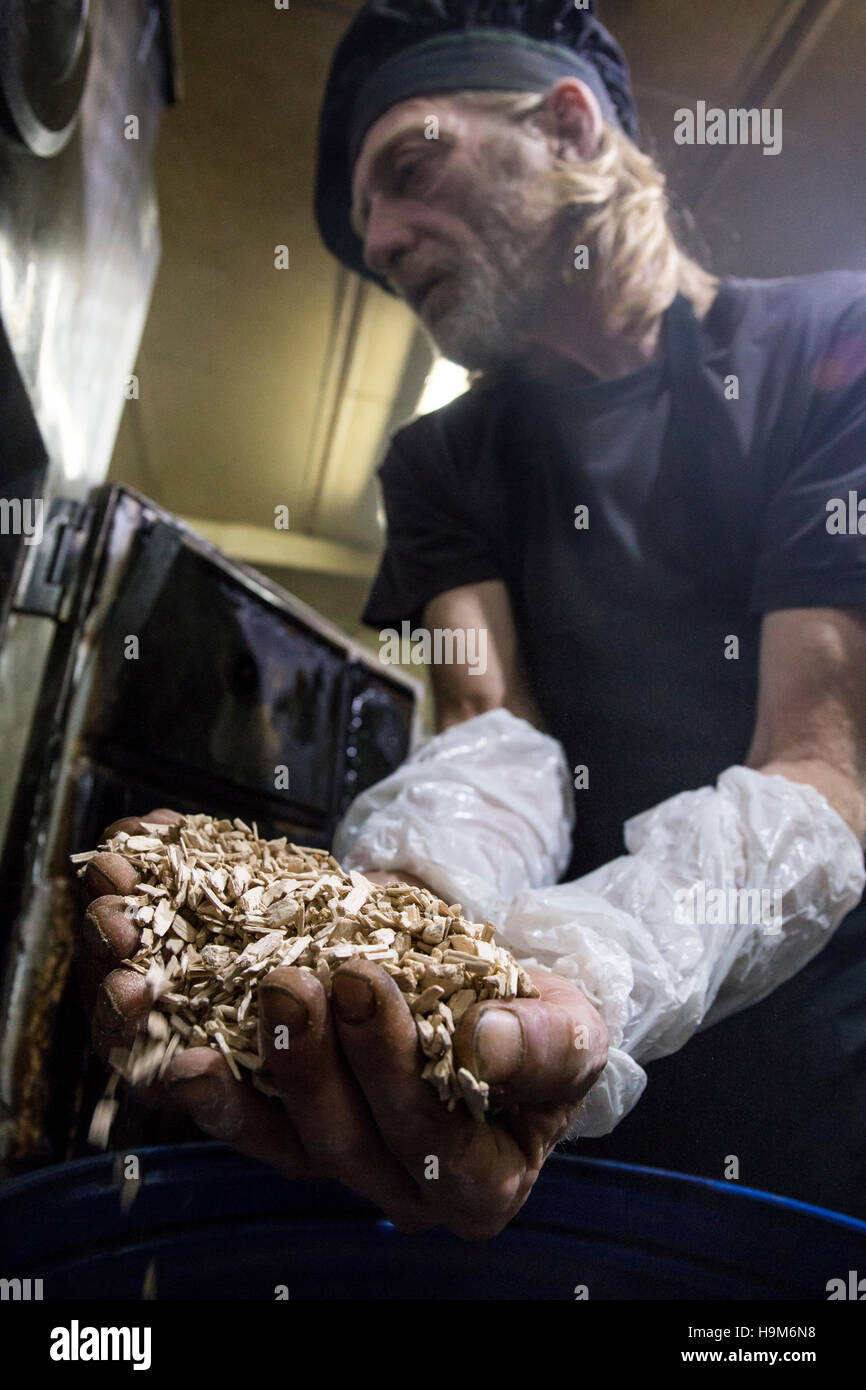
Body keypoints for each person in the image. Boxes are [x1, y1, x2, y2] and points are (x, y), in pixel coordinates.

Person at [79, 1, 866, 1234]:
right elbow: (492, 730)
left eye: (408, 171)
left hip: (811, 1082)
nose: (382, 240)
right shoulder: (443, 459)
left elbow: (818, 769)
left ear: (565, 125)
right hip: (538, 1078)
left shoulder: (833, 345)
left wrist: (606, 967)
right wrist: (402, 913)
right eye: (366, 224)